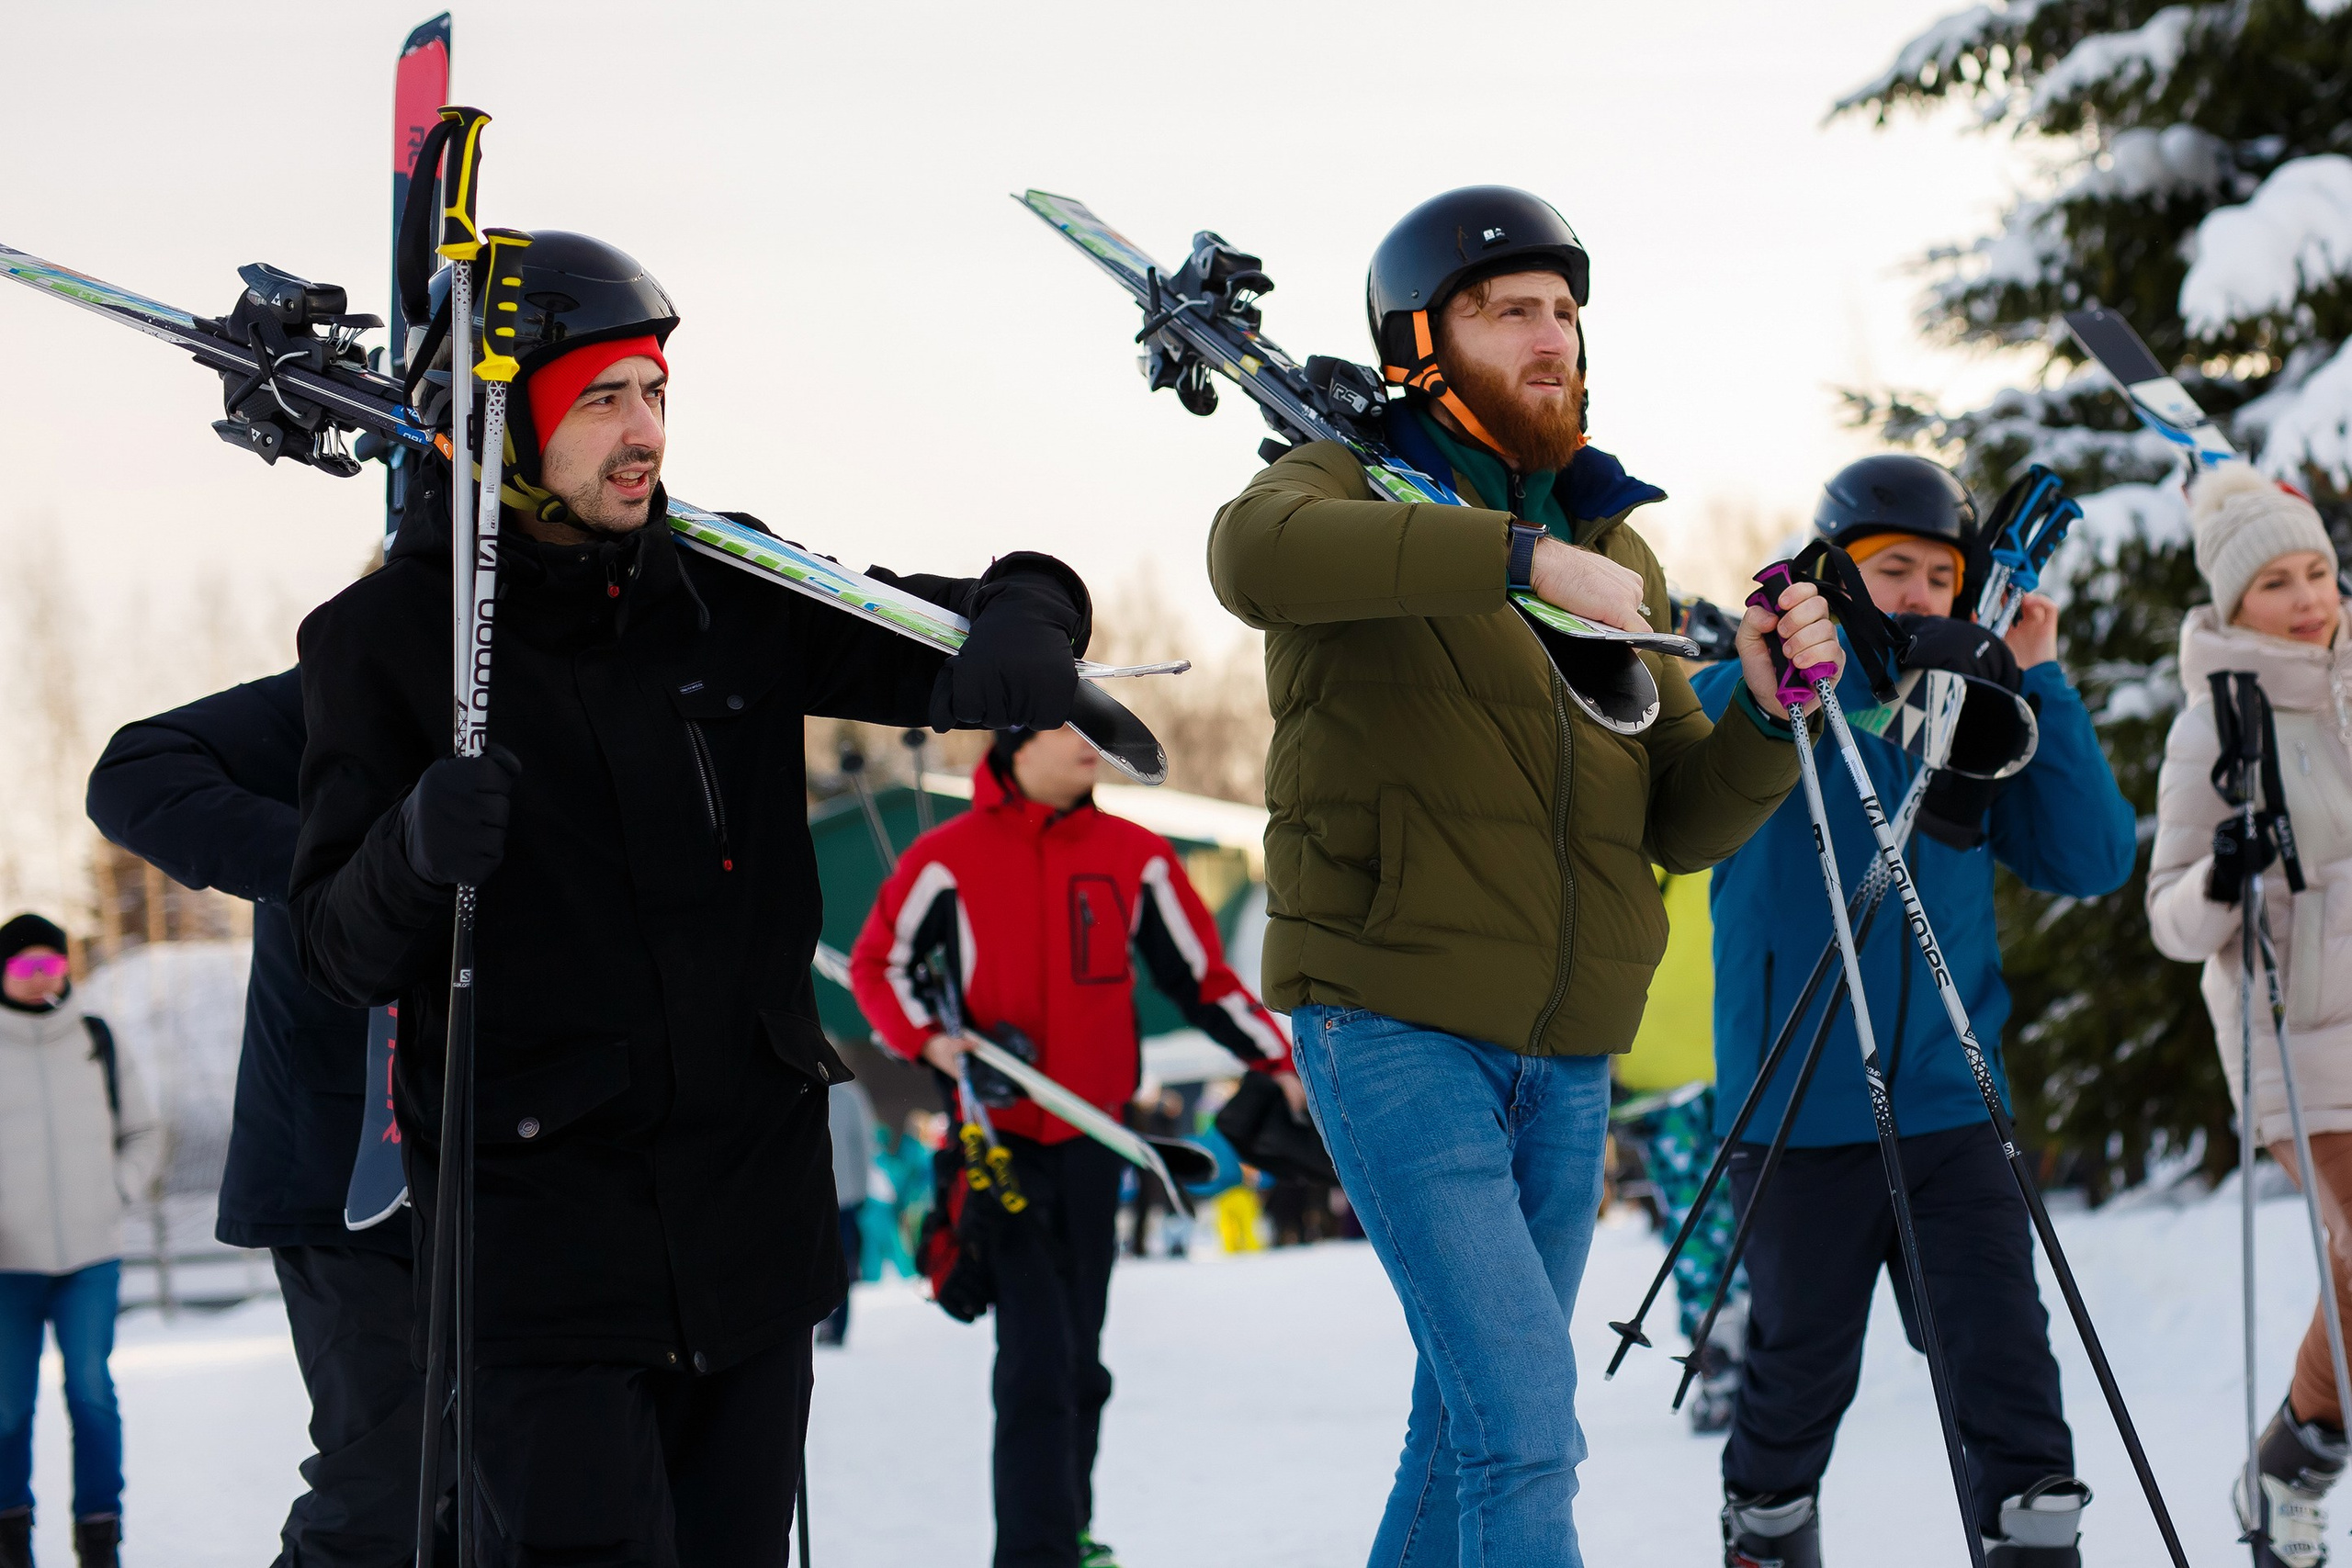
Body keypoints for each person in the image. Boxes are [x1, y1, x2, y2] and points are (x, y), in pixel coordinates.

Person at [289, 231, 1092, 1562]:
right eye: (602, 399)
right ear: (506, 421)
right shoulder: (384, 640)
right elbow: (336, 948)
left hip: (749, 1231)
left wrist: (1030, 613)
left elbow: (950, 630)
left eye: (655, 393)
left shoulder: (729, 585)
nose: (644, 433)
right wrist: (412, 848)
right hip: (541, 1262)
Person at [1205, 185, 1843, 1567]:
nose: (1551, 336)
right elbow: (1251, 557)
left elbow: (1679, 817)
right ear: (1420, 345)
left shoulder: (1616, 550)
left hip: (1564, 1055)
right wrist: (1515, 558)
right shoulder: (1339, 482)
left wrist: (1766, 711)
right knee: (1526, 1425)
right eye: (1508, 311)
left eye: (1562, 310)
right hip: (1394, 1020)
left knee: (1469, 1429)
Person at [1690, 454, 2135, 1568]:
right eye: (1894, 569)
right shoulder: (1753, 691)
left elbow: (2089, 858)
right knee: (1798, 1375)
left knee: (2007, 1369)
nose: (1921, 596)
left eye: (1942, 577)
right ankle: (1766, 1531)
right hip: (1797, 1117)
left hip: (1951, 1108)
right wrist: (1774, 680)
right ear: (1832, 570)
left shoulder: (1975, 708)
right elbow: (1681, 800)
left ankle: (2031, 1537)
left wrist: (2036, 679)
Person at [847, 725, 1295, 1568]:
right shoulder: (947, 857)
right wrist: (932, 1042)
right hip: (998, 1145)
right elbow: (878, 966)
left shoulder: (1136, 856)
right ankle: (1036, 1553)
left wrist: (1278, 1058)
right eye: (1065, 721)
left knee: (1080, 1358)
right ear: (1015, 740)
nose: (1091, 738)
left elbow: (1201, 979)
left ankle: (1070, 1532)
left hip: (1098, 1139)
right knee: (1036, 1358)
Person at [86, 671, 437, 1567]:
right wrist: (346, 868)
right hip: (341, 1168)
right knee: (388, 1481)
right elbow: (134, 773)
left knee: (519, 1479)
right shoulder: (351, 683)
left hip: (528, 1160)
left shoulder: (577, 692)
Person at [2146, 465, 2352, 1568]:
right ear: (2232, 604)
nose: (2308, 598)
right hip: (2298, 1040)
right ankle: (2292, 1471)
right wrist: (2224, 877)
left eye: (2318, 571)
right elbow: (2170, 920)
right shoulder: (2214, 726)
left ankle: (2289, 1470)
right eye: (2277, 582)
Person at [0, 913, 160, 1568]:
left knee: (92, 1393)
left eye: (53, 964)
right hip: (8, 1265)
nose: (42, 979)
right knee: (7, 1408)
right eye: (26, 966)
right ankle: (11, 1542)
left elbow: (144, 1131)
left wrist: (117, 1189)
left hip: (91, 1258)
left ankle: (99, 1540)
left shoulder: (97, 1037)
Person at [816, 1078, 876, 1348]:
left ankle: (835, 1324)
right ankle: (822, 1322)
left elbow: (862, 1145)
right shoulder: (848, 1095)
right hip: (828, 1196)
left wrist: (861, 1190)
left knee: (839, 1264)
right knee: (830, 1263)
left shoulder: (849, 1095)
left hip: (843, 1197)